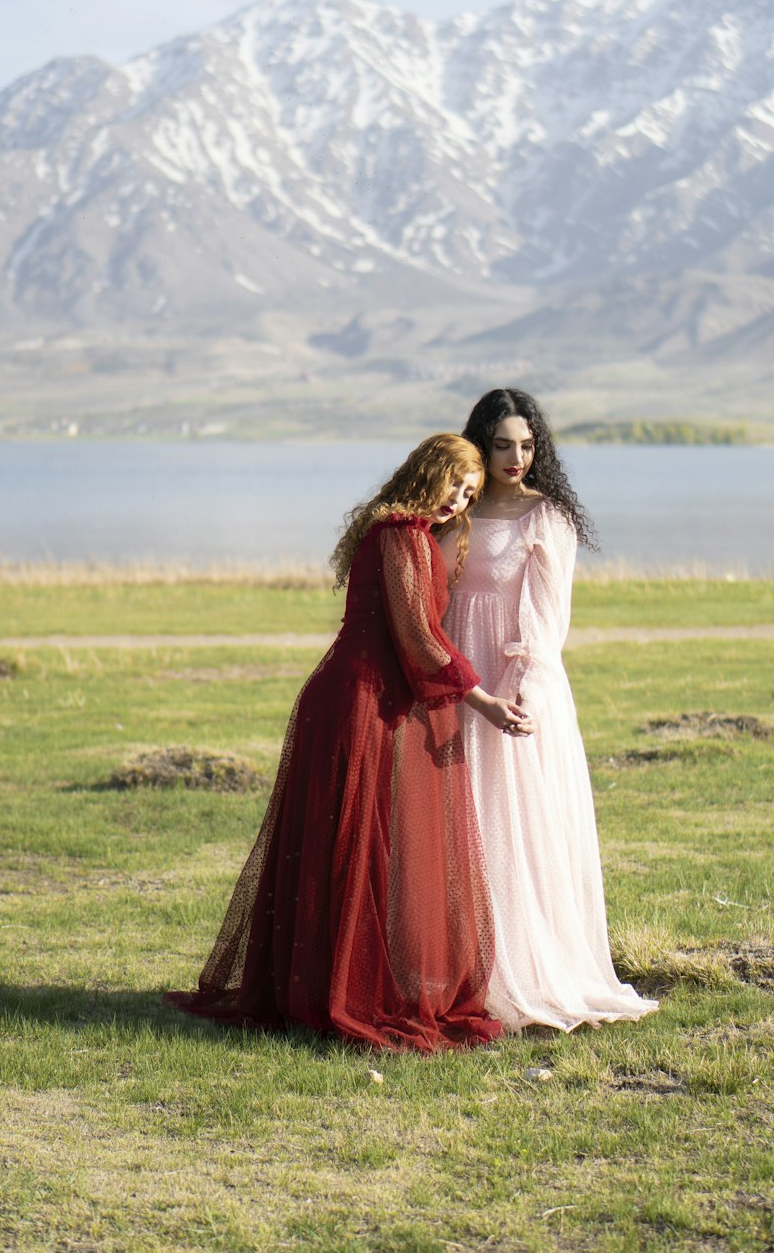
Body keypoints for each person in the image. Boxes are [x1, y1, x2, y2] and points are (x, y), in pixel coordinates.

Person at [166, 434, 530, 1053]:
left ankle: (333, 985)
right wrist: (486, 702)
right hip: (361, 703)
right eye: (455, 485)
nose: (459, 501)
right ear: (429, 473)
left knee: (355, 847)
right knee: (355, 848)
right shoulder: (401, 535)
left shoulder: (402, 530)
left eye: (470, 495)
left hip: (364, 698)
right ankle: (344, 993)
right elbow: (418, 639)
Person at [438, 390, 657, 1031]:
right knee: (458, 825)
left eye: (527, 445)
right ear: (480, 444)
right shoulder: (457, 509)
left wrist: (515, 697)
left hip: (514, 689)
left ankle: (521, 970)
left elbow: (544, 621)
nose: (515, 457)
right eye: (502, 444)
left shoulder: (547, 518)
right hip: (458, 681)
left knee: (513, 830)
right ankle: (456, 967)